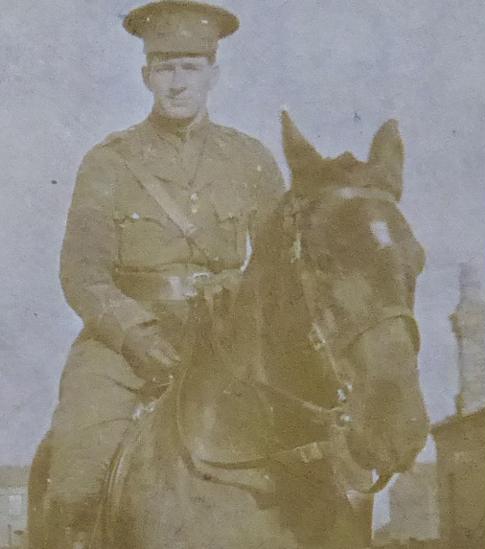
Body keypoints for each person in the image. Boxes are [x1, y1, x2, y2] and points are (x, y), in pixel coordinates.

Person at [45, 1, 285, 545]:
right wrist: (134, 333)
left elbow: (276, 271)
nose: (178, 83)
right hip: (125, 348)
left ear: (213, 75)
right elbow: (82, 272)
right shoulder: (109, 162)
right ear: (146, 75)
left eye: (191, 68)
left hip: (225, 341)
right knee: (76, 471)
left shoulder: (251, 160)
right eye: (166, 68)